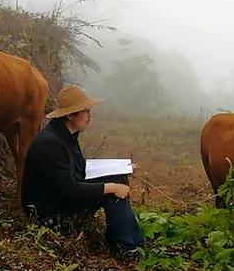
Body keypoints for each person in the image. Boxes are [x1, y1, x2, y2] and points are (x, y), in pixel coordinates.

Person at [21, 85, 145, 258]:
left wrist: (120, 170)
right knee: (113, 191)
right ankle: (127, 248)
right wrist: (110, 187)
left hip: (62, 198)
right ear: (71, 115)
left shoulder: (67, 135)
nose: (89, 116)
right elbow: (70, 188)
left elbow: (80, 169)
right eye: (86, 111)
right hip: (49, 214)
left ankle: (123, 241)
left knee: (118, 178)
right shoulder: (50, 144)